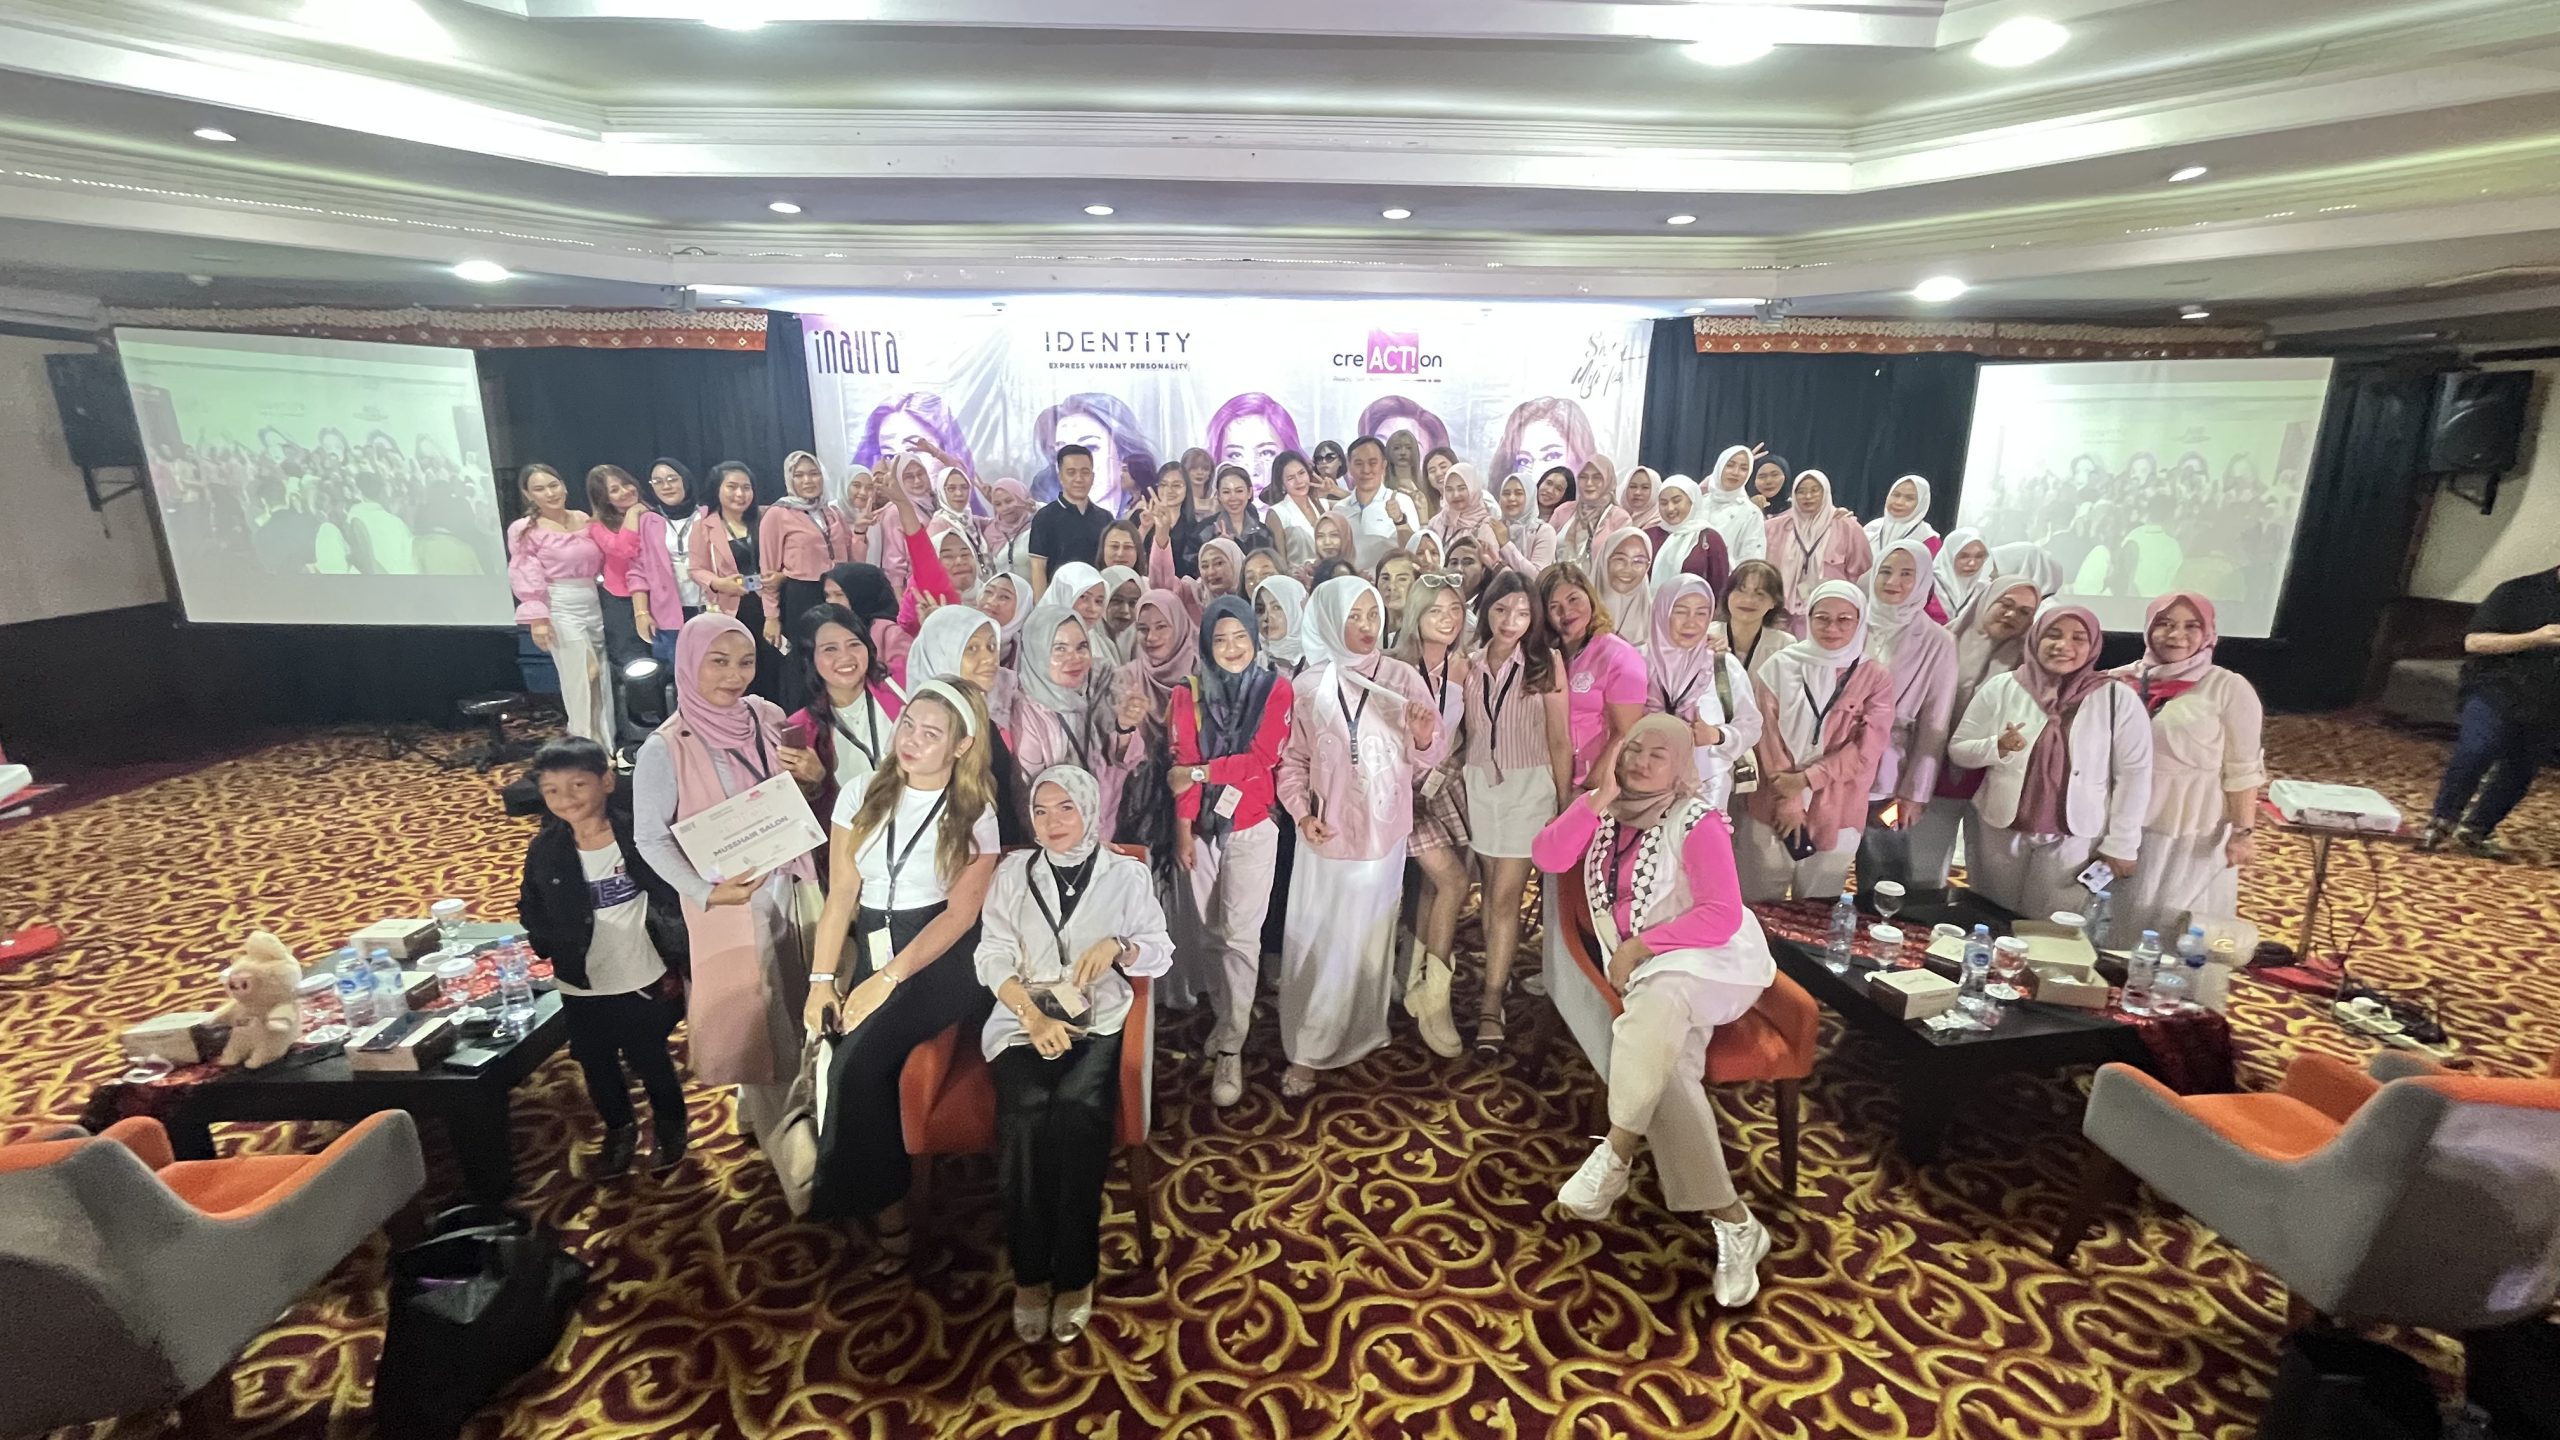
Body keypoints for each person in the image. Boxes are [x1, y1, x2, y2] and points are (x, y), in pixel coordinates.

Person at [1532, 713, 1775, 1306]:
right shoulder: (1605, 812)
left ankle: (1615, 1151)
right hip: (1650, 977)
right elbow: (1547, 856)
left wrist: (1640, 946)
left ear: (1680, 766)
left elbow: (1720, 914)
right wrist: (1599, 797)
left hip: (1713, 962)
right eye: (1633, 749)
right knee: (1667, 1073)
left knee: (1660, 997)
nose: (1640, 762)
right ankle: (1735, 1221)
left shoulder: (1697, 820)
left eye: (1657, 755)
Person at [801, 679, 999, 1266]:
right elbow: (842, 894)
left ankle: (888, 1213)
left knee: (858, 1059)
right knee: (834, 1037)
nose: (911, 740)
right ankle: (865, 1189)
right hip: (875, 936)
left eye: (931, 733)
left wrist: (885, 979)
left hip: (939, 954)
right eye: (908, 724)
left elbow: (960, 917)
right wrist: (821, 981)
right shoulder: (860, 791)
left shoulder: (975, 812)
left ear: (962, 746)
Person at [977, 764, 1172, 1343]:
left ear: (1089, 809)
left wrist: (1120, 945)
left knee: (1077, 1112)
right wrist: (1030, 1014)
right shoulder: (1013, 873)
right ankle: (1030, 1274)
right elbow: (991, 952)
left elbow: (1160, 950)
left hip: (1098, 1019)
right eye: (1041, 811)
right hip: (1023, 1020)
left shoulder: (1125, 874)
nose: (1053, 822)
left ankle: (1077, 1272)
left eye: (1066, 808)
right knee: (1024, 1115)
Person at [632, 615, 821, 1155]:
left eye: (745, 662)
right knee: (756, 1012)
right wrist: (706, 892)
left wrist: (812, 780)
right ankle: (788, 1146)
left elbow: (792, 797)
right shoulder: (665, 748)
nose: (734, 676)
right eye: (718, 662)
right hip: (728, 899)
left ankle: (753, 1107)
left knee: (794, 997)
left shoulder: (766, 716)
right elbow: (650, 839)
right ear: (689, 663)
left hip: (790, 879)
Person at [1273, 576, 1445, 1099]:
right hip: (1325, 837)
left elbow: (1429, 758)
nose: (1367, 626)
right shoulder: (1308, 687)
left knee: (1367, 937)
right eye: (1354, 616)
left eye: (1373, 615)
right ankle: (1310, 1043)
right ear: (1330, 620)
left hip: (1381, 837)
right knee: (1322, 941)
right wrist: (1302, 814)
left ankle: (1358, 1029)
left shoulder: (1401, 678)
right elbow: (1292, 762)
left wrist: (1422, 735)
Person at [515, 737, 690, 1178]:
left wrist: (676, 948)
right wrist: (546, 943)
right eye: (552, 790)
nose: (566, 798)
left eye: (578, 785)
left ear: (607, 782)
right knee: (595, 1062)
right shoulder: (546, 849)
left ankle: (670, 1126)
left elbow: (671, 891)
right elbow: (530, 903)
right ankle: (619, 1130)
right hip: (580, 980)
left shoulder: (639, 836)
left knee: (649, 1057)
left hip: (639, 971)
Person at [1947, 602, 2153, 921]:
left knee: (2051, 925)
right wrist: (1996, 747)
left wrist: (2122, 844)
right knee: (1989, 916)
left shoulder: (2117, 698)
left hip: (2075, 836)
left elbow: (2134, 776)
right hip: (1999, 827)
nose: (2063, 645)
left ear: (2093, 646)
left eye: (2078, 638)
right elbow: (1959, 749)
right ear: (2036, 638)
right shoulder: (2003, 687)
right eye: (2053, 635)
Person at [1166, 596, 1295, 1108]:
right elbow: (1182, 761)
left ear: (1254, 637)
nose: (1232, 647)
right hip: (1201, 829)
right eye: (1220, 639)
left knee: (1241, 936)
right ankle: (1226, 1016)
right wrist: (1182, 829)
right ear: (1206, 644)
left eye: (1240, 636)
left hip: (1253, 824)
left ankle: (1231, 1046)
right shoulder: (1188, 693)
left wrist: (1201, 773)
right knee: (1210, 932)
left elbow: (1262, 759)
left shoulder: (1275, 688)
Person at [2106, 593, 2266, 945]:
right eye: (2164, 624)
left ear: (2208, 633)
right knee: (2114, 912)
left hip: (2189, 826)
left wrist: (2243, 832)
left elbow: (2242, 769)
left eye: (2191, 626)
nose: (2176, 635)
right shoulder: (2115, 681)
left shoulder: (2228, 688)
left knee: (2174, 922)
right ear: (2149, 629)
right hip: (2120, 816)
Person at [1461, 569, 1574, 1057]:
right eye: (1502, 609)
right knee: (1490, 891)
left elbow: (1559, 738)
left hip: (1528, 788)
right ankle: (1498, 972)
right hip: (1479, 785)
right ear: (1487, 609)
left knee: (1506, 897)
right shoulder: (1469, 662)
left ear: (1535, 618)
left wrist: (1564, 801)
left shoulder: (1545, 662)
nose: (1511, 621)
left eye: (1523, 612)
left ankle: (1491, 1003)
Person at [1736, 582, 1893, 902]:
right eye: (1822, 618)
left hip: (1837, 803)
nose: (1832, 628)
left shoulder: (1875, 677)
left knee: (1820, 903)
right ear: (1808, 618)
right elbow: (1765, 736)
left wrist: (1807, 779)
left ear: (1860, 620)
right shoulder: (1780, 666)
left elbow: (1868, 747)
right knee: (1758, 897)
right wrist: (1789, 797)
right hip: (1773, 799)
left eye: (1844, 619)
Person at [1904, 577, 2042, 902]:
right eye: (2005, 604)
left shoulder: (2032, 663)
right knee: (1924, 872)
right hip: (1934, 770)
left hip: (1992, 780)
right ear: (1985, 601)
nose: (2011, 615)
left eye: (2024, 612)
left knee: (1989, 881)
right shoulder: (1943, 642)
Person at [1389, 574, 1474, 1059]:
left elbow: (1460, 730)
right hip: (1404, 793)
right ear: (1415, 616)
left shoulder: (1461, 666)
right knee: (1453, 881)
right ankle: (1435, 999)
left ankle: (1415, 977)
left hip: (1443, 785)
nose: (1448, 619)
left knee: (1434, 887)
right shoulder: (1396, 667)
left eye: (1455, 609)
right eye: (1436, 610)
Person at [2422, 561, 2560, 858]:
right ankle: (2442, 821)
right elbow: (2474, 642)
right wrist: (2536, 638)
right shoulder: (2517, 592)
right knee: (2477, 750)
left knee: (2520, 771)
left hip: (2550, 702)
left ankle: (2477, 830)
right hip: (2497, 688)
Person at [1852, 539, 1959, 905]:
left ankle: (1878, 931)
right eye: (1885, 571)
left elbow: (1934, 723)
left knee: (1883, 865)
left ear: (1923, 580)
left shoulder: (1938, 640)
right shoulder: (1851, 621)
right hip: (1837, 764)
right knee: (1823, 863)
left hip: (1890, 773)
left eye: (1906, 574)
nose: (1892, 582)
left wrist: (1915, 792)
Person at [1012, 604, 1147, 838]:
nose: (1074, 658)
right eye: (1059, 649)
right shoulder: (1027, 710)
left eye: (1081, 647)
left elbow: (1125, 761)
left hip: (1108, 822)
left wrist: (1125, 725)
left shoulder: (1102, 685)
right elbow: (1032, 792)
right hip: (1057, 834)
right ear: (1038, 651)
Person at [507, 463, 615, 743]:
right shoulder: (525, 529)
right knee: (582, 674)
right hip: (559, 604)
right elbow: (525, 572)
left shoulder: (583, 519)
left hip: (592, 601)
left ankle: (605, 742)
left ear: (564, 486)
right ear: (528, 495)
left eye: (553, 485)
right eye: (539, 489)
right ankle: (584, 741)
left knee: (600, 676)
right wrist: (538, 619)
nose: (550, 493)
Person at [907, 604, 1029, 847]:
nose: (989, 659)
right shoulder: (921, 731)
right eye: (972, 648)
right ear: (942, 653)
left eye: (991, 647)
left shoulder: (982, 716)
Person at [1645, 575, 1762, 812]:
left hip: (1707, 791)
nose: (1691, 623)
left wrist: (1717, 735)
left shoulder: (1722, 664)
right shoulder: (1637, 662)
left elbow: (1751, 726)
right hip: (1644, 787)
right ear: (1662, 611)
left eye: (1701, 613)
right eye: (1680, 611)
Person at [781, 603, 905, 824]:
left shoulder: (900, 686)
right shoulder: (802, 728)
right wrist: (818, 780)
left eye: (854, 644)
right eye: (830, 649)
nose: (846, 656)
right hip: (861, 836)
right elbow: (810, 820)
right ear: (809, 657)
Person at [1541, 563, 1647, 788]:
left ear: (1589, 597)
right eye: (1554, 606)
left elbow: (1625, 732)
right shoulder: (1542, 655)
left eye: (1573, 599)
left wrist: (1588, 789)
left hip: (1593, 781)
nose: (1566, 612)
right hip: (1542, 778)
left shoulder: (1619, 656)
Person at [688, 462, 788, 700]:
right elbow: (696, 568)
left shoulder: (768, 516)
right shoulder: (704, 526)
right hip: (734, 610)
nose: (740, 494)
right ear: (717, 489)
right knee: (743, 670)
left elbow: (791, 555)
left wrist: (782, 576)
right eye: (732, 487)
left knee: (779, 670)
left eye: (746, 487)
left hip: (774, 605)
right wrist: (718, 583)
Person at [760, 451, 860, 677]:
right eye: (799, 475)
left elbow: (852, 555)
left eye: (814, 473)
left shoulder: (831, 512)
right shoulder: (777, 514)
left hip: (837, 592)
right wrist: (771, 616)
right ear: (790, 479)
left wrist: (861, 532)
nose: (808, 480)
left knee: (838, 654)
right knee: (807, 661)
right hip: (802, 596)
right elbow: (768, 572)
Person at [585, 465, 672, 683]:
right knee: (636, 665)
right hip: (622, 602)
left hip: (660, 598)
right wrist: (633, 513)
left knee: (668, 661)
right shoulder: (597, 526)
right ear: (604, 499)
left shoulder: (654, 514)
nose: (625, 491)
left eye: (626, 484)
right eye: (615, 490)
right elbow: (625, 550)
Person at [1763, 470, 1873, 635]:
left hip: (1829, 618)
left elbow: (1863, 576)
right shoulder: (1773, 528)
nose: (1808, 496)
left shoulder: (1848, 528)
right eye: (1801, 491)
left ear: (1826, 493)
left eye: (1815, 490)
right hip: (1780, 617)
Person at [1028, 444, 1114, 596]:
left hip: (1097, 601)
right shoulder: (1045, 517)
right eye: (1071, 473)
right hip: (1059, 601)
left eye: (1085, 472)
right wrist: (1042, 607)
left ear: (1093, 477)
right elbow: (1038, 567)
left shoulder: (1105, 518)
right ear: (1060, 477)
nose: (1079, 479)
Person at [1333, 435, 1423, 571]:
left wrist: (1400, 521)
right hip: (1351, 581)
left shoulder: (1401, 501)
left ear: (1384, 465)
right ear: (1349, 467)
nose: (1366, 470)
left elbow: (1414, 550)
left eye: (1372, 463)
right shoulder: (1339, 510)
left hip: (1391, 581)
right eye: (1358, 464)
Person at [646, 458, 710, 630]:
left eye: (672, 479)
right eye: (658, 482)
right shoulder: (649, 520)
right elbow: (639, 568)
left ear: (685, 480)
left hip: (710, 604)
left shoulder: (707, 514)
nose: (666, 486)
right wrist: (642, 613)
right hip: (669, 611)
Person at [1648, 476, 1730, 599]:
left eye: (1676, 501)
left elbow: (1719, 586)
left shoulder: (1710, 538)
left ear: (1692, 500)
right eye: (1663, 503)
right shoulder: (1649, 536)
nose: (1670, 508)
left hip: (1694, 609)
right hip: (1651, 608)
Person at [1554, 457, 1631, 572]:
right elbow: (1547, 548)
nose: (1589, 483)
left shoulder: (1619, 518)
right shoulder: (1564, 510)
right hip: (1558, 579)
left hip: (1597, 582)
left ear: (1608, 480)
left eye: (1597, 477)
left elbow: (1620, 563)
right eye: (1583, 477)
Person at [1698, 444, 1769, 566]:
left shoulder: (1751, 513)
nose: (1736, 473)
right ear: (1719, 467)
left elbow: (1752, 561)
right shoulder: (1699, 503)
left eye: (1743, 468)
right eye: (1730, 465)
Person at [1262, 449, 1328, 573]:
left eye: (1301, 473)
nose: (1299, 481)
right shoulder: (1277, 513)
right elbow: (1279, 561)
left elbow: (1355, 503)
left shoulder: (1324, 505)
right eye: (1290, 478)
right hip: (1298, 579)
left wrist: (1335, 491)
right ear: (1282, 484)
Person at [1596, 528, 1658, 647]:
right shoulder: (1578, 610)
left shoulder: (1657, 620)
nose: (1628, 569)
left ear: (1647, 566)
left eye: (1638, 561)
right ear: (1605, 559)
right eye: (1620, 559)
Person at [1490, 471, 1559, 578]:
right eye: (1506, 493)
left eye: (1518, 493)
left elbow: (1537, 578)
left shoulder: (1543, 531)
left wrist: (1505, 544)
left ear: (1530, 497)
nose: (1511, 498)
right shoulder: (1496, 526)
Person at [1864, 474, 1938, 556]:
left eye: (1909, 498)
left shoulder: (1928, 539)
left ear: (1922, 503)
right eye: (1896, 495)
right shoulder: (1871, 528)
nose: (1899, 502)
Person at [1932, 528, 1993, 627]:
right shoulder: (1927, 584)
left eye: (1979, 556)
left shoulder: (1985, 590)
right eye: (1964, 556)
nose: (1972, 563)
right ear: (1949, 555)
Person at [1256, 574, 1308, 675]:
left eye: (1277, 607)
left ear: (1297, 610)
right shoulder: (1251, 667)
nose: (1266, 617)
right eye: (1260, 609)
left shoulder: (1319, 665)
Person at [1618, 465, 1663, 533]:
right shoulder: (1615, 521)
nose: (1637, 492)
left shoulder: (1662, 528)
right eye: (1633, 486)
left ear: (1655, 491)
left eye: (1645, 487)